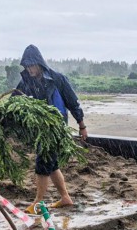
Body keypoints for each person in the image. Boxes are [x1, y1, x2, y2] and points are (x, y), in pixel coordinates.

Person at [14, 44, 87, 213]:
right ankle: (65, 198)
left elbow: (72, 102)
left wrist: (81, 125)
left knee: (43, 162)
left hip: (55, 129)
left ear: (39, 63)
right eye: (26, 66)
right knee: (52, 164)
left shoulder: (57, 79)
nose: (29, 69)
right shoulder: (26, 81)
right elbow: (14, 100)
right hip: (40, 130)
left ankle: (38, 202)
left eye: (31, 65)